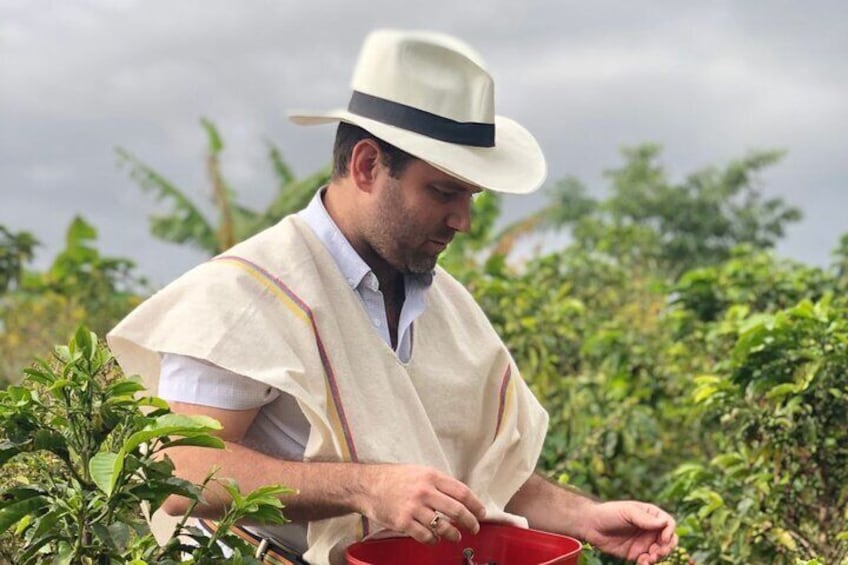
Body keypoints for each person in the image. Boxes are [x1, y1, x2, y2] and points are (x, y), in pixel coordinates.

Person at [108, 29, 677, 565]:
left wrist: (588, 517)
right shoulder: (244, 292)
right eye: (444, 191)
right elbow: (177, 467)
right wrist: (366, 487)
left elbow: (479, 471)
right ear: (366, 166)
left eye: (470, 196)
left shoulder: (444, 303)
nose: (463, 219)